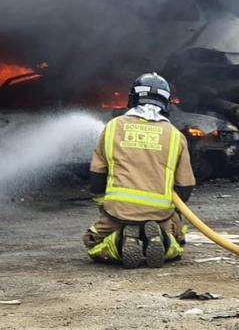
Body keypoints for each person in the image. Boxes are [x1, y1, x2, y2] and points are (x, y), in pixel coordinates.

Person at [84, 72, 196, 268]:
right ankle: (162, 239)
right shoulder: (175, 135)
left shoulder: (113, 127)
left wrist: (105, 206)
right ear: (166, 101)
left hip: (117, 212)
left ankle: (121, 241)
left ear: (133, 97)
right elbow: (185, 186)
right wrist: (172, 212)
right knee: (178, 244)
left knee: (93, 244)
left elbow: (97, 175)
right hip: (160, 214)